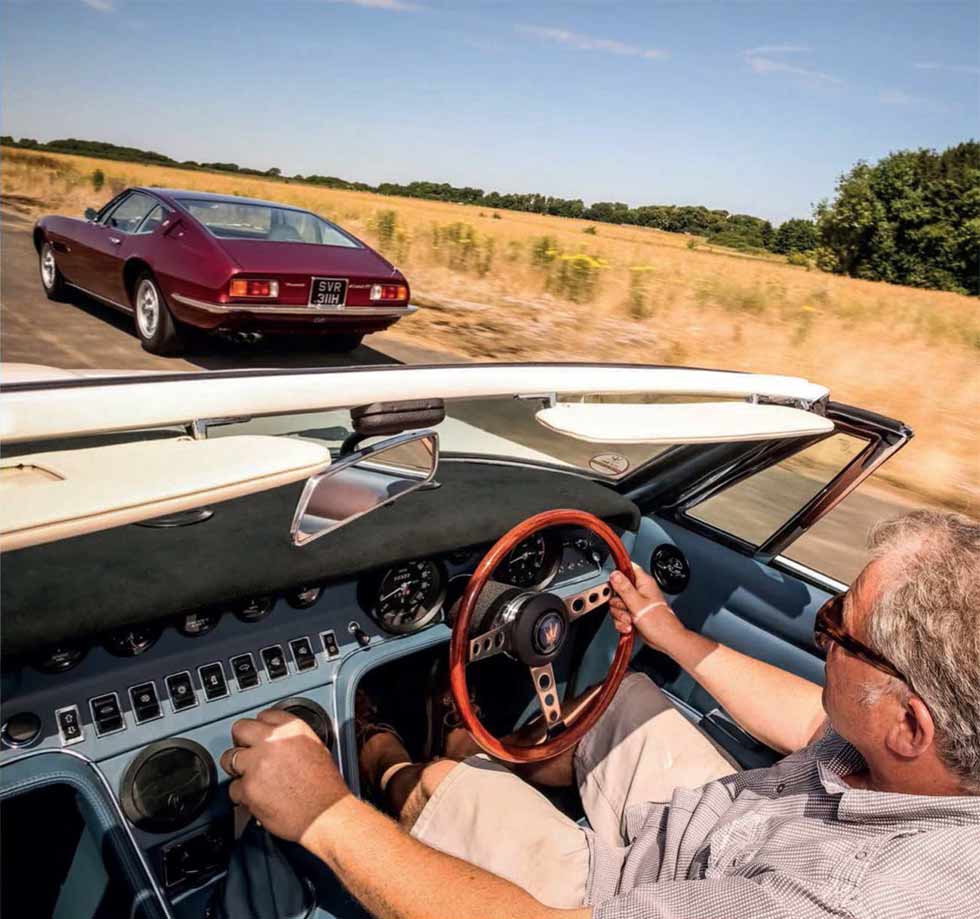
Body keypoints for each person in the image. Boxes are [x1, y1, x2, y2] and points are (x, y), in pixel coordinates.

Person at [220, 511, 980, 918]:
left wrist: (321, 809)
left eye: (834, 629)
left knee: (445, 784)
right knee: (625, 696)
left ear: (907, 725)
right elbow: (806, 717)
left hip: (629, 892)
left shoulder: (845, 903)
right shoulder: (920, 753)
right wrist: (671, 634)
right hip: (719, 828)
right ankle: (460, 726)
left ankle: (391, 753)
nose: (821, 638)